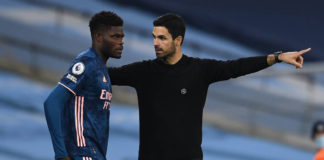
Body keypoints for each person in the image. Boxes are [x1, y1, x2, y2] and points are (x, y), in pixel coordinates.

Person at [108, 13, 310, 160]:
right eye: (154, 37)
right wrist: (86, 63)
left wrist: (277, 57)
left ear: (178, 40)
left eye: (162, 38)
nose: (155, 43)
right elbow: (107, 75)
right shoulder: (143, 72)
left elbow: (236, 67)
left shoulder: (199, 70)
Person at [44, 11, 124, 160]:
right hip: (81, 153)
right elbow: (52, 102)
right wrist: (61, 154)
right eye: (115, 37)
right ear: (99, 37)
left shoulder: (101, 69)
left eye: (122, 37)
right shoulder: (86, 63)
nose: (121, 42)